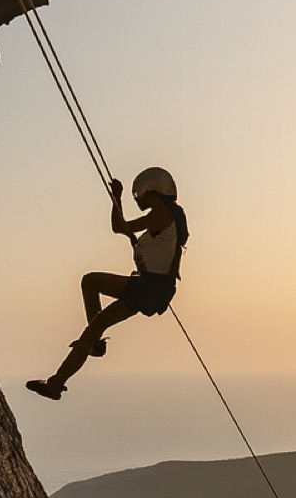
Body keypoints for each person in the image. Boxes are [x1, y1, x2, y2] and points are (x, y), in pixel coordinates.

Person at [25, 166, 187, 400]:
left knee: (94, 321)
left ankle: (58, 381)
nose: (138, 198)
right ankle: (91, 346)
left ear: (150, 191)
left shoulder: (161, 213)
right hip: (150, 287)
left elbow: (119, 227)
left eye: (139, 194)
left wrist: (117, 197)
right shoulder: (170, 214)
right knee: (90, 283)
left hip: (149, 289)